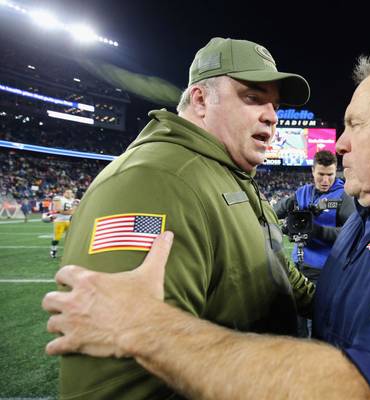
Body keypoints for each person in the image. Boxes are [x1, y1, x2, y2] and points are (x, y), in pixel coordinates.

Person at [44, 52, 370, 399]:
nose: (339, 144)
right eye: (253, 97)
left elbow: (365, 388)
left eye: (354, 124)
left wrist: (146, 329)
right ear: (199, 99)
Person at [49, 37, 314, 399]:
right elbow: (122, 380)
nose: (271, 115)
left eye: (275, 105)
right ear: (201, 100)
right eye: (253, 97)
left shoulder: (229, 173)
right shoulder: (152, 181)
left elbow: (278, 272)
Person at [274, 150, 356, 282]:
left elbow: (352, 233)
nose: (325, 180)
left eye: (330, 175)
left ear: (336, 172)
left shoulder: (343, 196)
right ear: (313, 171)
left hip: (326, 269)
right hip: (299, 265)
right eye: (321, 174)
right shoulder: (303, 192)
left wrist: (318, 231)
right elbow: (276, 210)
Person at [50, 189, 76, 258]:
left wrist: (72, 212)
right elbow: (58, 209)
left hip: (70, 221)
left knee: (71, 237)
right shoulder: (59, 198)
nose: (69, 194)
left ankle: (70, 252)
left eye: (70, 193)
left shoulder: (73, 200)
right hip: (60, 221)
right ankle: (53, 250)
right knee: (57, 237)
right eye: (67, 192)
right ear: (64, 193)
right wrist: (70, 212)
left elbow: (75, 210)